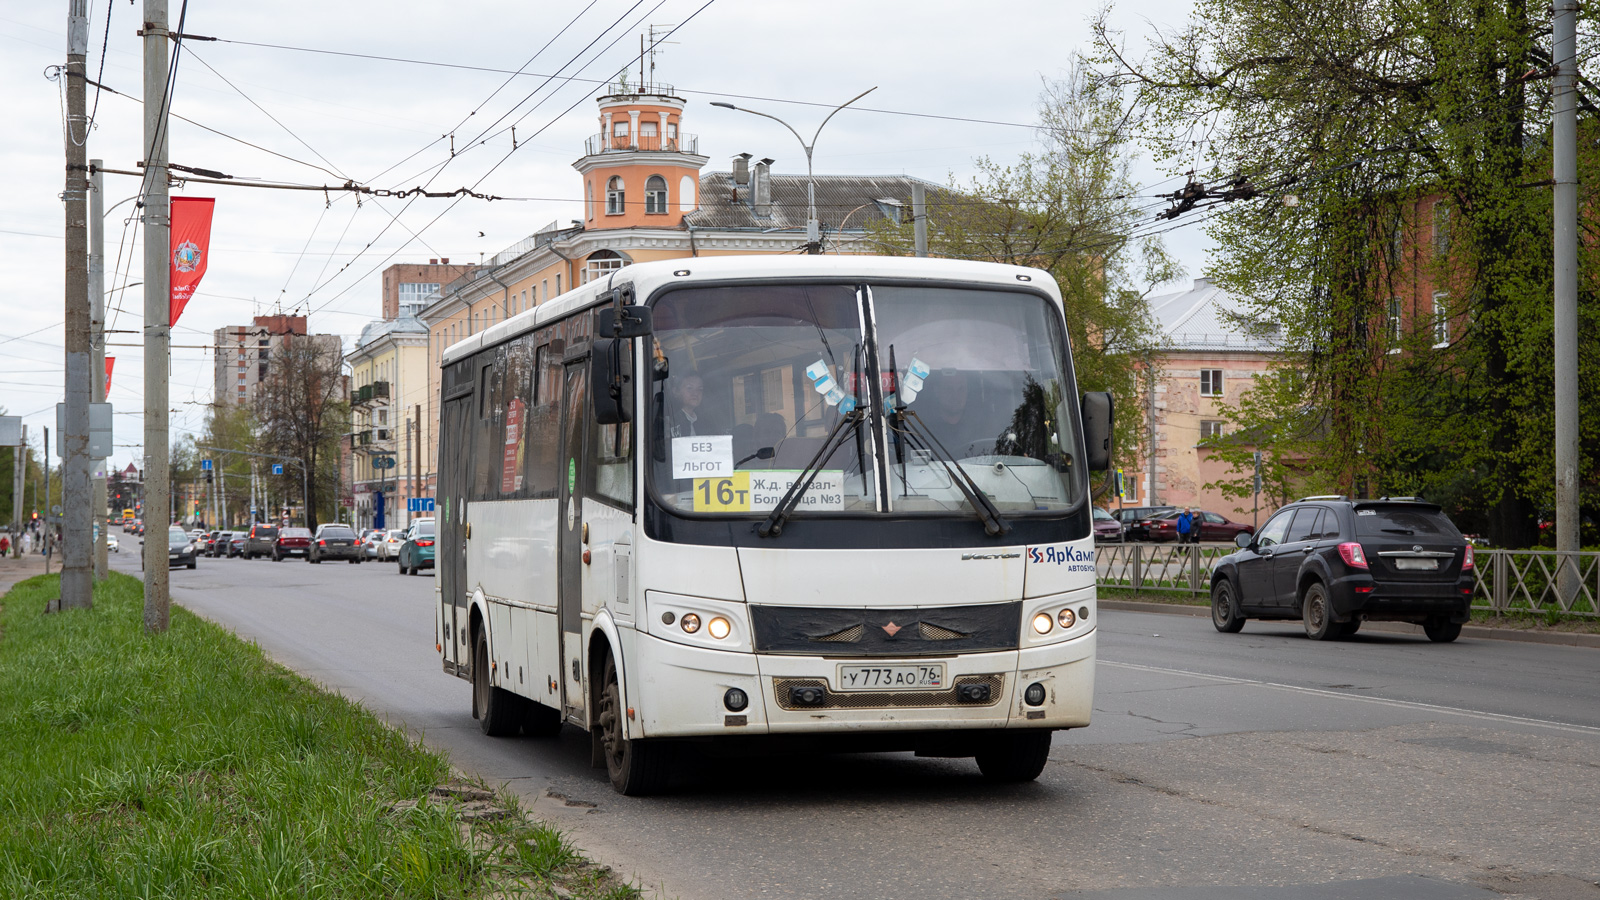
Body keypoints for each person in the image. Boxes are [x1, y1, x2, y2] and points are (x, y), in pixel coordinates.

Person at [668, 374, 708, 438]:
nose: (695, 393)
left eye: (700, 389)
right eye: (689, 388)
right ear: (675, 391)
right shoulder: (670, 420)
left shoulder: (706, 421)